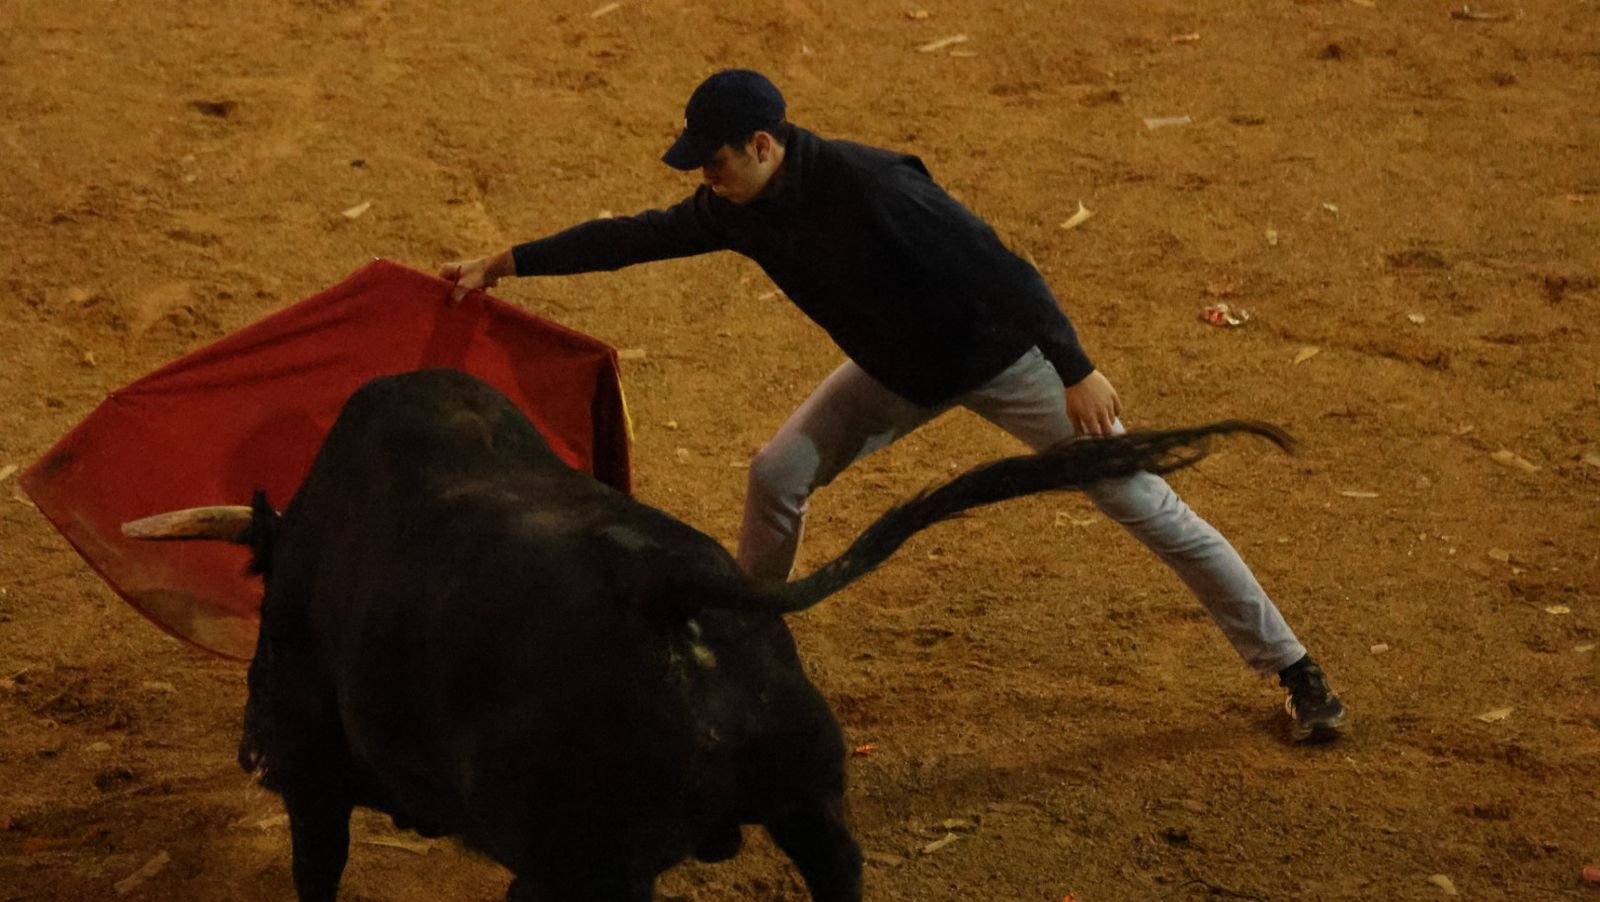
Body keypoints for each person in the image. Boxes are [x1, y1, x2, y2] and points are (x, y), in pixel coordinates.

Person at [439, 69, 1347, 743]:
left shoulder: (876, 187)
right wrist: (508, 260)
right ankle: (751, 654)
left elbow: (1002, 267)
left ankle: (1298, 672)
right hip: (897, 373)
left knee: (1143, 503)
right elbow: (632, 237)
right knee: (777, 474)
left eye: (713, 161)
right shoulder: (737, 208)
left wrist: (1074, 367)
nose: (703, 179)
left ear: (764, 145)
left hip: (1005, 362)